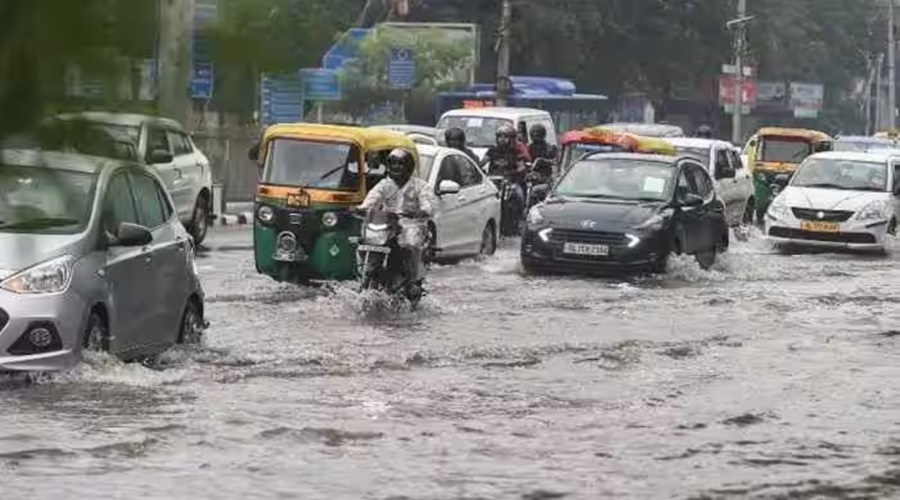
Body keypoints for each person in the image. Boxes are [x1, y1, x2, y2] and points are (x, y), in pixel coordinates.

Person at [358, 149, 433, 288]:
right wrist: (361, 208)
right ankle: (365, 273)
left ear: (409, 166)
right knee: (364, 239)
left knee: (411, 245)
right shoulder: (384, 184)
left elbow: (427, 205)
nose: (395, 167)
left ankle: (412, 280)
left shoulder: (420, 186)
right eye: (392, 163)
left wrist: (420, 211)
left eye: (400, 164)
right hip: (387, 225)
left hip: (411, 225)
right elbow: (372, 199)